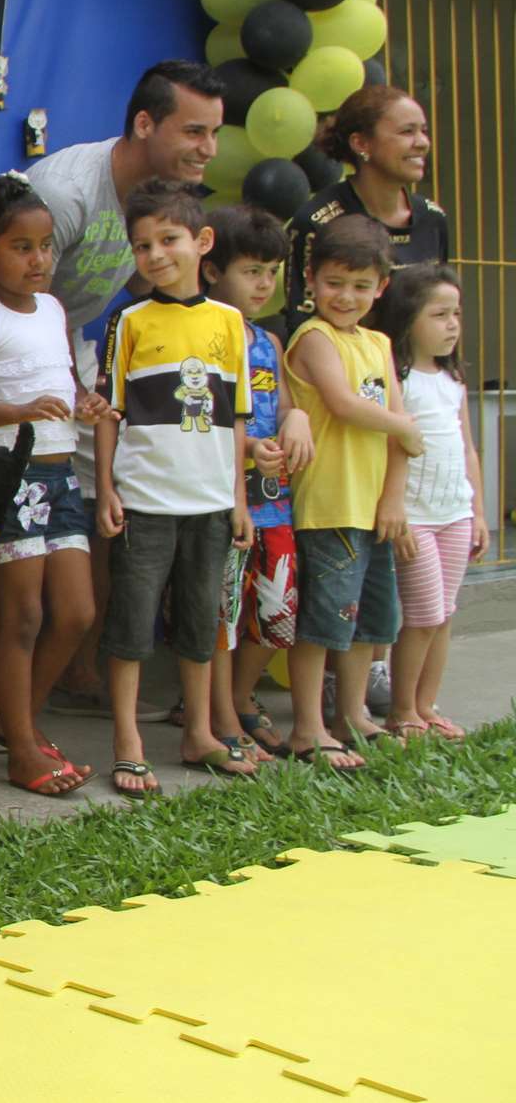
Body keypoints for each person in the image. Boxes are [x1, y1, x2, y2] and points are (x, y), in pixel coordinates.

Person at [23, 61, 227, 721]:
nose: (208, 149)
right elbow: (16, 302)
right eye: (193, 131)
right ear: (144, 123)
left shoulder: (154, 199)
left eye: (215, 134)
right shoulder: (66, 193)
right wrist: (71, 383)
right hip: (21, 355)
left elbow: (138, 287)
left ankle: (82, 666)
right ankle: (3, 696)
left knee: (109, 504)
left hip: (75, 351)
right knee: (30, 534)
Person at [0, 174, 104, 795]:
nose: (39, 260)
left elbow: (64, 383)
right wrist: (19, 413)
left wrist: (86, 402)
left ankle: (19, 725)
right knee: (23, 616)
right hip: (8, 476)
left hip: (60, 475)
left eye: (46, 246)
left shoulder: (54, 309)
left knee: (78, 612)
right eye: (22, 247)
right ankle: (24, 750)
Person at [94, 181, 255, 798]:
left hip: (211, 504)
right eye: (143, 245)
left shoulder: (230, 323)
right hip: (145, 501)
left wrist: (239, 501)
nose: (155, 254)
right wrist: (107, 489)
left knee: (200, 622)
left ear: (202, 241)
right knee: (132, 624)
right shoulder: (129, 321)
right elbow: (110, 413)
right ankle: (128, 742)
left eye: (168, 239)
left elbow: (236, 419)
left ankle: (201, 734)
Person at [282, 217, 421, 770]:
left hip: (372, 505)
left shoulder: (379, 343)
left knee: (371, 621)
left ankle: (352, 715)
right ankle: (307, 728)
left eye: (361, 286)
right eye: (334, 283)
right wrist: (403, 425)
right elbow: (342, 404)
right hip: (330, 504)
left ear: (381, 287)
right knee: (323, 622)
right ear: (312, 281)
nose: (346, 297)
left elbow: (398, 436)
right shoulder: (314, 338)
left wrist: (394, 499)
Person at [200, 206, 313, 762]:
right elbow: (199, 419)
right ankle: (220, 714)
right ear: (212, 270)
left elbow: (284, 405)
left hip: (274, 503)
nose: (265, 284)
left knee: (276, 612)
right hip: (221, 500)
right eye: (251, 271)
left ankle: (242, 696)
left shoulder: (267, 340)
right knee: (222, 615)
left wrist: (297, 418)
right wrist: (248, 449)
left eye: (272, 272)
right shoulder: (204, 335)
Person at [374, 264, 486, 741]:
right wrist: (396, 510)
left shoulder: (452, 379)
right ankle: (402, 711)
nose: (453, 324)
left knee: (444, 614)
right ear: (407, 318)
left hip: (454, 512)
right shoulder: (396, 380)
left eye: (456, 313)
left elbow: (467, 448)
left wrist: (478, 512)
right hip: (415, 516)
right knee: (422, 615)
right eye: (439, 315)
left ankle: (425, 705)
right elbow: (389, 448)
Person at [284, 84, 448, 337]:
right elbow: (303, 326)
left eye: (423, 131)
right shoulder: (317, 222)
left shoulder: (433, 218)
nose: (423, 143)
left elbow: (443, 309)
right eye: (407, 131)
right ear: (361, 143)